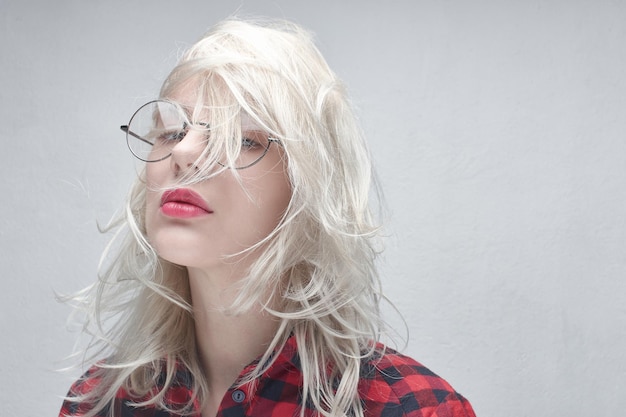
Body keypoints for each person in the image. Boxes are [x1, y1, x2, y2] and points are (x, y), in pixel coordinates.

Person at [59, 18, 476, 417]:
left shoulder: (412, 409)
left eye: (241, 138)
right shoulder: (99, 404)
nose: (184, 152)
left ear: (307, 184)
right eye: (172, 130)